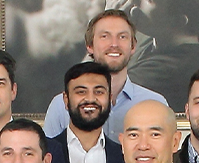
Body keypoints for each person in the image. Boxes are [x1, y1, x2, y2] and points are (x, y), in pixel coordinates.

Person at [40, 9, 169, 138]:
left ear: (133, 46)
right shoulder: (60, 106)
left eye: (122, 37)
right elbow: (49, 151)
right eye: (105, 36)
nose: (114, 44)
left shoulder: (156, 103)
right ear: (90, 45)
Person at [44, 61, 134, 163]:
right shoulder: (44, 154)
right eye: (81, 92)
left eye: (99, 92)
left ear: (110, 98)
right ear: (66, 100)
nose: (90, 99)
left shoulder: (126, 158)